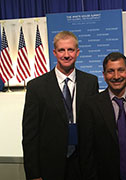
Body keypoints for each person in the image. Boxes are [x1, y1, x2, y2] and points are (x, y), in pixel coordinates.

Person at [22, 31, 99, 180]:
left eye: (70, 50)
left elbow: (95, 127)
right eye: (61, 50)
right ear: (54, 53)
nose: (66, 55)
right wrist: (33, 174)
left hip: (83, 165)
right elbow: (30, 135)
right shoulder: (36, 87)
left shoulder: (90, 82)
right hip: (50, 167)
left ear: (77, 53)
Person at [78, 52, 126, 180]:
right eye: (110, 71)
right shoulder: (90, 107)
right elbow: (86, 153)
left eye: (121, 70)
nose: (116, 76)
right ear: (104, 75)